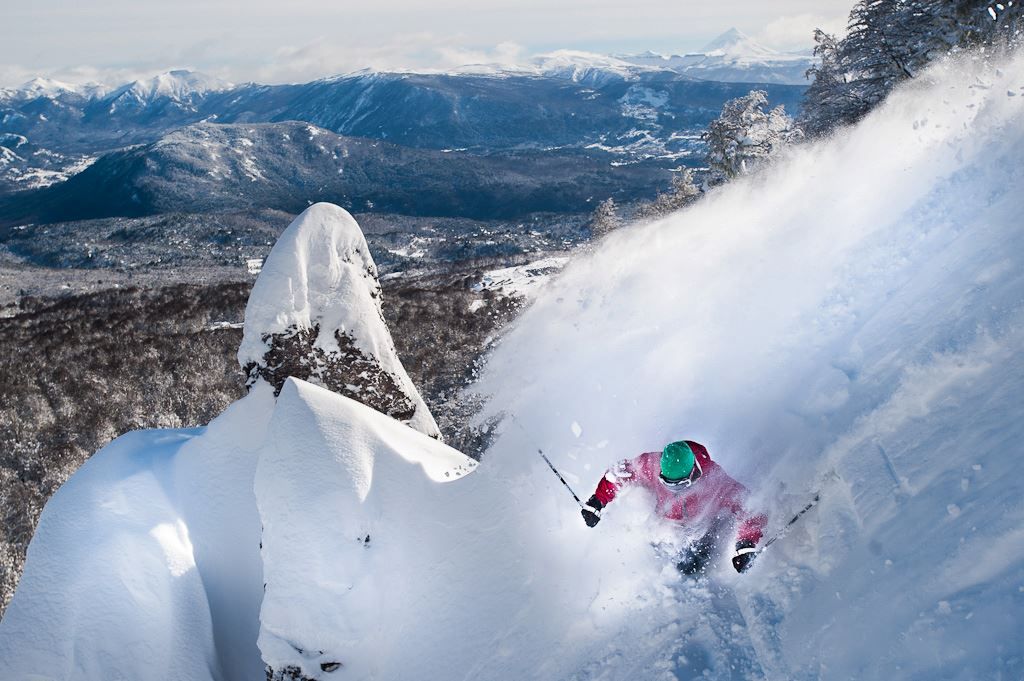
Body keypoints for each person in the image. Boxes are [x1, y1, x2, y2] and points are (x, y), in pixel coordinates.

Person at [581, 440, 766, 575]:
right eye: (667, 482)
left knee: (690, 568)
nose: (674, 489)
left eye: (680, 484)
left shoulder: (714, 479)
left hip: (701, 531)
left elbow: (749, 507)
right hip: (666, 525)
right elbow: (618, 474)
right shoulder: (651, 464)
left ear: (694, 473)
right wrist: (597, 501)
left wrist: (746, 545)